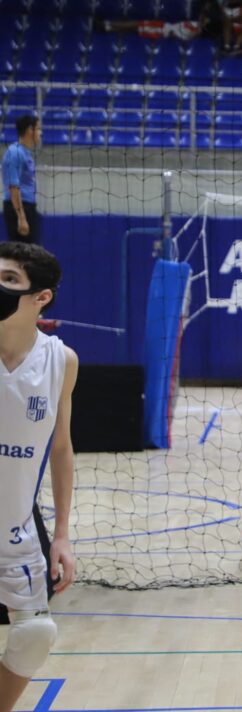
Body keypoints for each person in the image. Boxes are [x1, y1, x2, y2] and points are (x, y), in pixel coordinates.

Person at [0, 242, 77, 712]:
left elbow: (62, 449)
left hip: (15, 530)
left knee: (35, 634)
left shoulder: (61, 361)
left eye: (10, 280)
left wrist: (62, 535)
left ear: (40, 297)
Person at [2, 116, 42, 245]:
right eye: (39, 128)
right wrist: (21, 217)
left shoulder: (25, 152)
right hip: (19, 208)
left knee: (29, 252)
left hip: (27, 206)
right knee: (22, 254)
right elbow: (13, 186)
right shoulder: (16, 153)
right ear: (30, 130)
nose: (41, 133)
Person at [97, 19, 203, 41]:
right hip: (163, 25)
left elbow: (175, 35)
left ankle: (109, 27)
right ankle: (109, 24)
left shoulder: (188, 36)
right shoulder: (195, 24)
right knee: (136, 24)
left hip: (161, 32)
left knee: (135, 29)